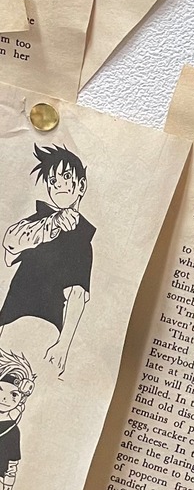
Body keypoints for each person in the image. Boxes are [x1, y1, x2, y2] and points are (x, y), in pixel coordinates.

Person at [0, 146, 93, 376]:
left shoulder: (82, 242)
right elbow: (10, 247)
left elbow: (77, 295)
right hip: (9, 322)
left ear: (81, 186)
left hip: (44, 328)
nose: (59, 184)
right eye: (52, 180)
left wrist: (63, 345)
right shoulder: (38, 223)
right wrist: (52, 224)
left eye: (66, 177)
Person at [0, 350, 34, 490]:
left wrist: (9, 481)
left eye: (14, 394)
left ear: (21, 399)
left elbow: (13, 460)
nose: (5, 398)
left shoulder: (12, 430)